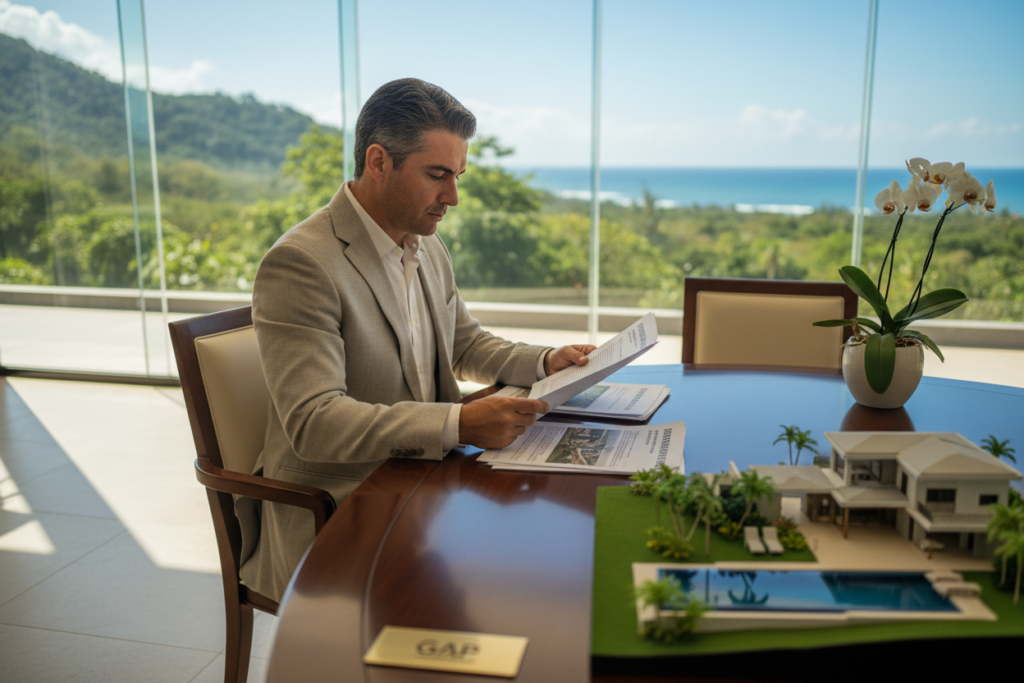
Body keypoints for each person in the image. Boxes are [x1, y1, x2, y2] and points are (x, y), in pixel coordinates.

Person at [238, 78, 595, 600]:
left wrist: (544, 362)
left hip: (421, 481)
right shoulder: (302, 263)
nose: (452, 197)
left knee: (550, 544)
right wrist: (458, 422)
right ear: (379, 161)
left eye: (458, 176)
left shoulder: (425, 244)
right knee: (523, 568)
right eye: (437, 175)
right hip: (342, 505)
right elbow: (314, 423)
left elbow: (465, 344)